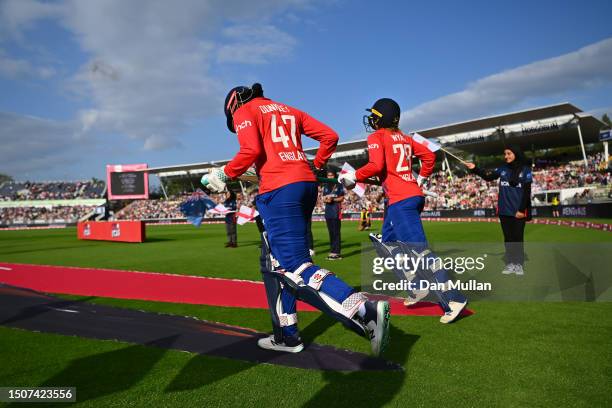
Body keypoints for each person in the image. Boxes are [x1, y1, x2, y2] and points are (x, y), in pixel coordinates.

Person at [201, 83, 390, 356]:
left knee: (294, 266)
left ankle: (364, 309)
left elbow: (250, 150)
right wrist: (317, 164)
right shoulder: (288, 109)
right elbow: (330, 136)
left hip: (279, 192)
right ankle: (286, 335)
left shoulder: (244, 110)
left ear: (233, 105)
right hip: (303, 186)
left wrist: (224, 174)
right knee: (275, 265)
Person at [339, 98, 468, 324]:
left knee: (420, 252)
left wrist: (354, 176)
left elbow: (377, 166)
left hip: (401, 201)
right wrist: (419, 180)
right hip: (408, 197)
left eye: (375, 115)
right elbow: (429, 156)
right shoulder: (405, 138)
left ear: (381, 118)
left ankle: (453, 298)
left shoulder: (376, 137)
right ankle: (417, 287)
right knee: (387, 244)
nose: (371, 119)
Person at [464, 145, 532, 275]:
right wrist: (475, 169)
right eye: (505, 154)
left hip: (518, 211)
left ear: (516, 154)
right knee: (508, 238)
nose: (506, 156)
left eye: (509, 154)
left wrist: (521, 210)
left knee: (517, 239)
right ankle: (510, 263)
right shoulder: (503, 169)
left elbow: (527, 192)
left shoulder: (526, 170)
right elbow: (488, 177)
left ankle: (518, 264)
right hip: (504, 211)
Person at [323, 170, 344, 260]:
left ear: (334, 176)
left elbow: (342, 198)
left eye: (331, 175)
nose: (330, 177)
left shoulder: (339, 185)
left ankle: (337, 253)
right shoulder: (326, 186)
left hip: (336, 211)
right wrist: (326, 200)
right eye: (328, 175)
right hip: (328, 212)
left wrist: (333, 199)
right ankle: (332, 251)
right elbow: (324, 198)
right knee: (331, 233)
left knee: (336, 233)